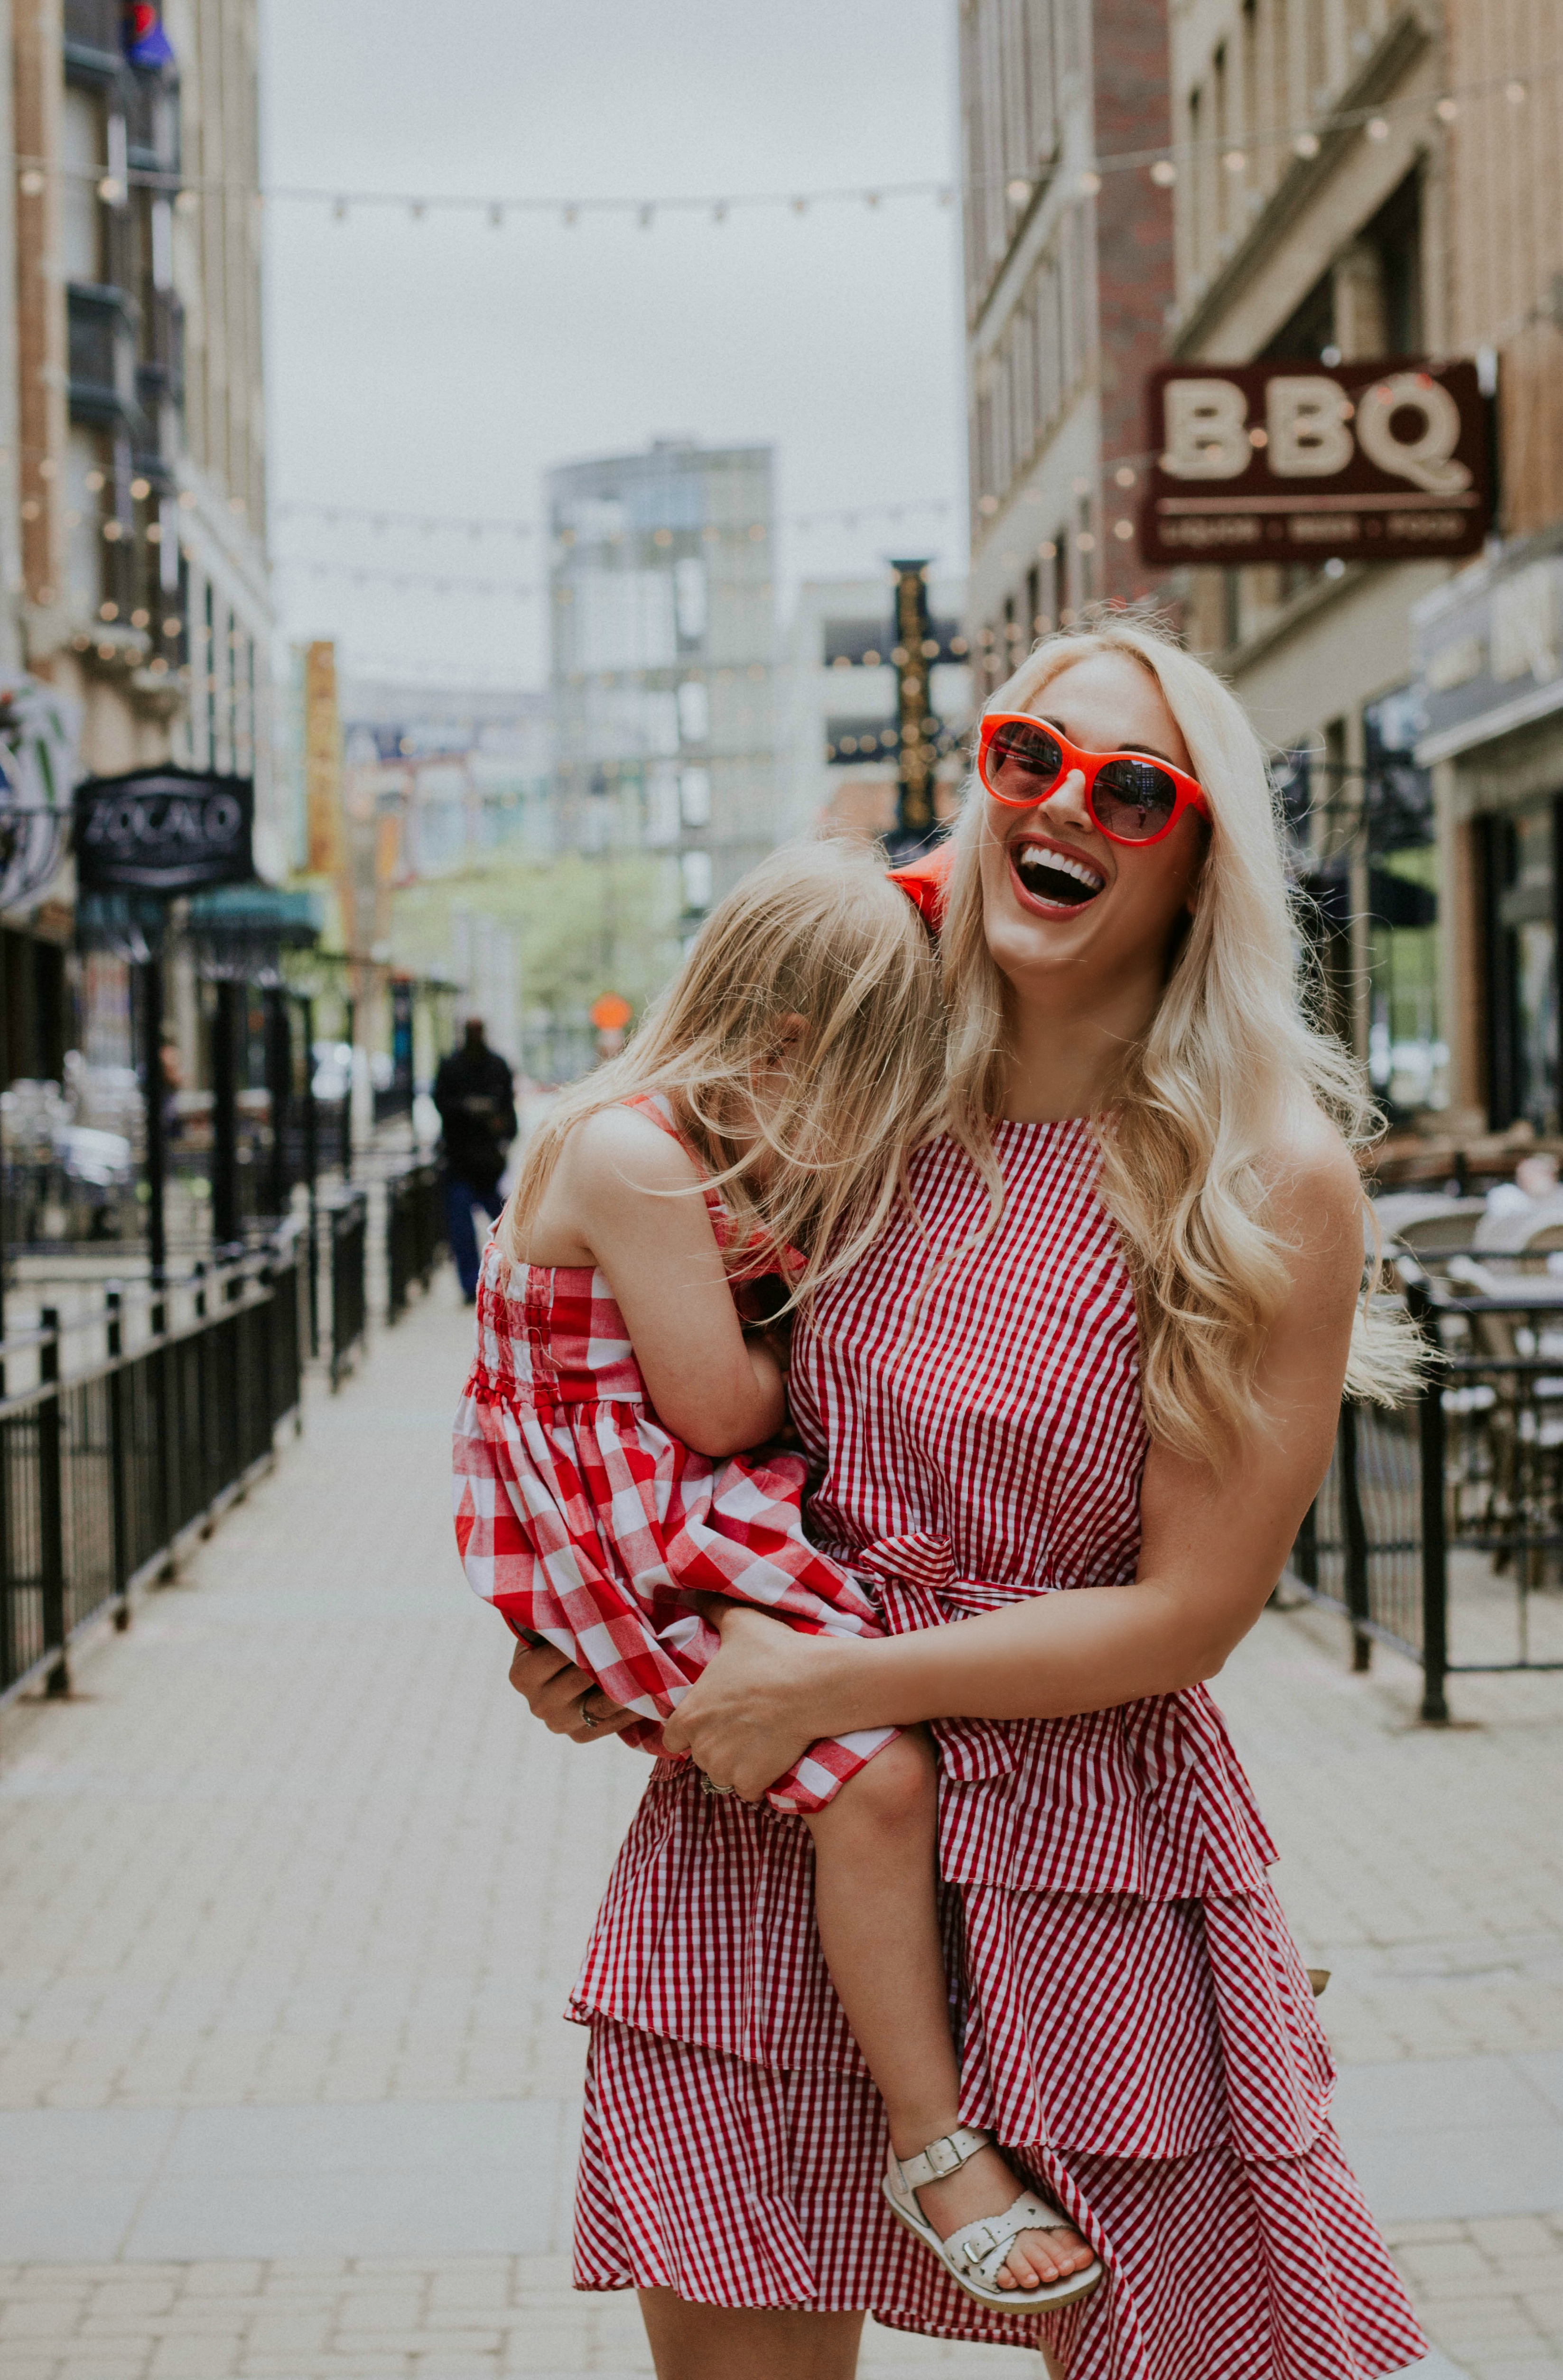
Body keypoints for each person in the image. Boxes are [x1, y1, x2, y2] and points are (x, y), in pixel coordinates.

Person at [510, 617, 1430, 2380]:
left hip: (1079, 1845)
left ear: (1195, 860)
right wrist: (609, 1644)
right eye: (1029, 754)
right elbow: (652, 1412)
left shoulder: (1261, 1177)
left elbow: (1190, 1615)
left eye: (1133, 787)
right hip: (778, 1834)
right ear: (984, 783)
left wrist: (820, 1686)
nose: (1064, 801)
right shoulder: (842, 1095)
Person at [452, 841, 1100, 2316]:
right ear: (790, 1048)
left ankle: (1148, 1989)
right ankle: (931, 2136)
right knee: (878, 1783)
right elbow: (719, 1410)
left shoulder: (651, 1142)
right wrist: (818, 1324)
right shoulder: (630, 1152)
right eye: (859, 1096)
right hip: (647, 1532)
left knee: (912, 1692)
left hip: (670, 1527)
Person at [434, 1017, 517, 1300]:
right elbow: (444, 1106)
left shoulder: (496, 1067)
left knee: (505, 1224)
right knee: (463, 1229)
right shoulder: (452, 1067)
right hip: (460, 1161)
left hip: (488, 1164)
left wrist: (499, 1130)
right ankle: (472, 1285)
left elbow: (508, 1114)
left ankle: (511, 1273)